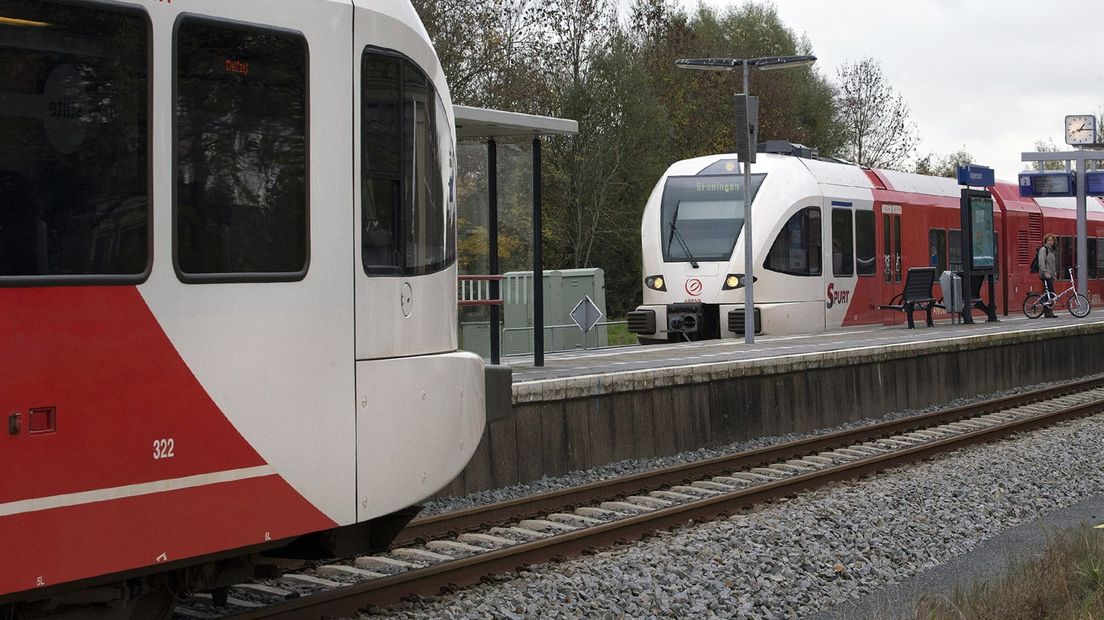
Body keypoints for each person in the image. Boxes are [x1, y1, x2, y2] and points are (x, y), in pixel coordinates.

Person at [1037, 233, 1058, 318]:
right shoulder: (1043, 249)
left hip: (1050, 275)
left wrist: (1054, 274)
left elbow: (1052, 264)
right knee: (1051, 293)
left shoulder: (1051, 250)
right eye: (1049, 240)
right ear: (1045, 241)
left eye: (1052, 240)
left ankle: (1047, 311)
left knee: (1049, 293)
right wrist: (1045, 272)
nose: (1051, 242)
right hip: (1045, 275)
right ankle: (1048, 311)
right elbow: (1041, 262)